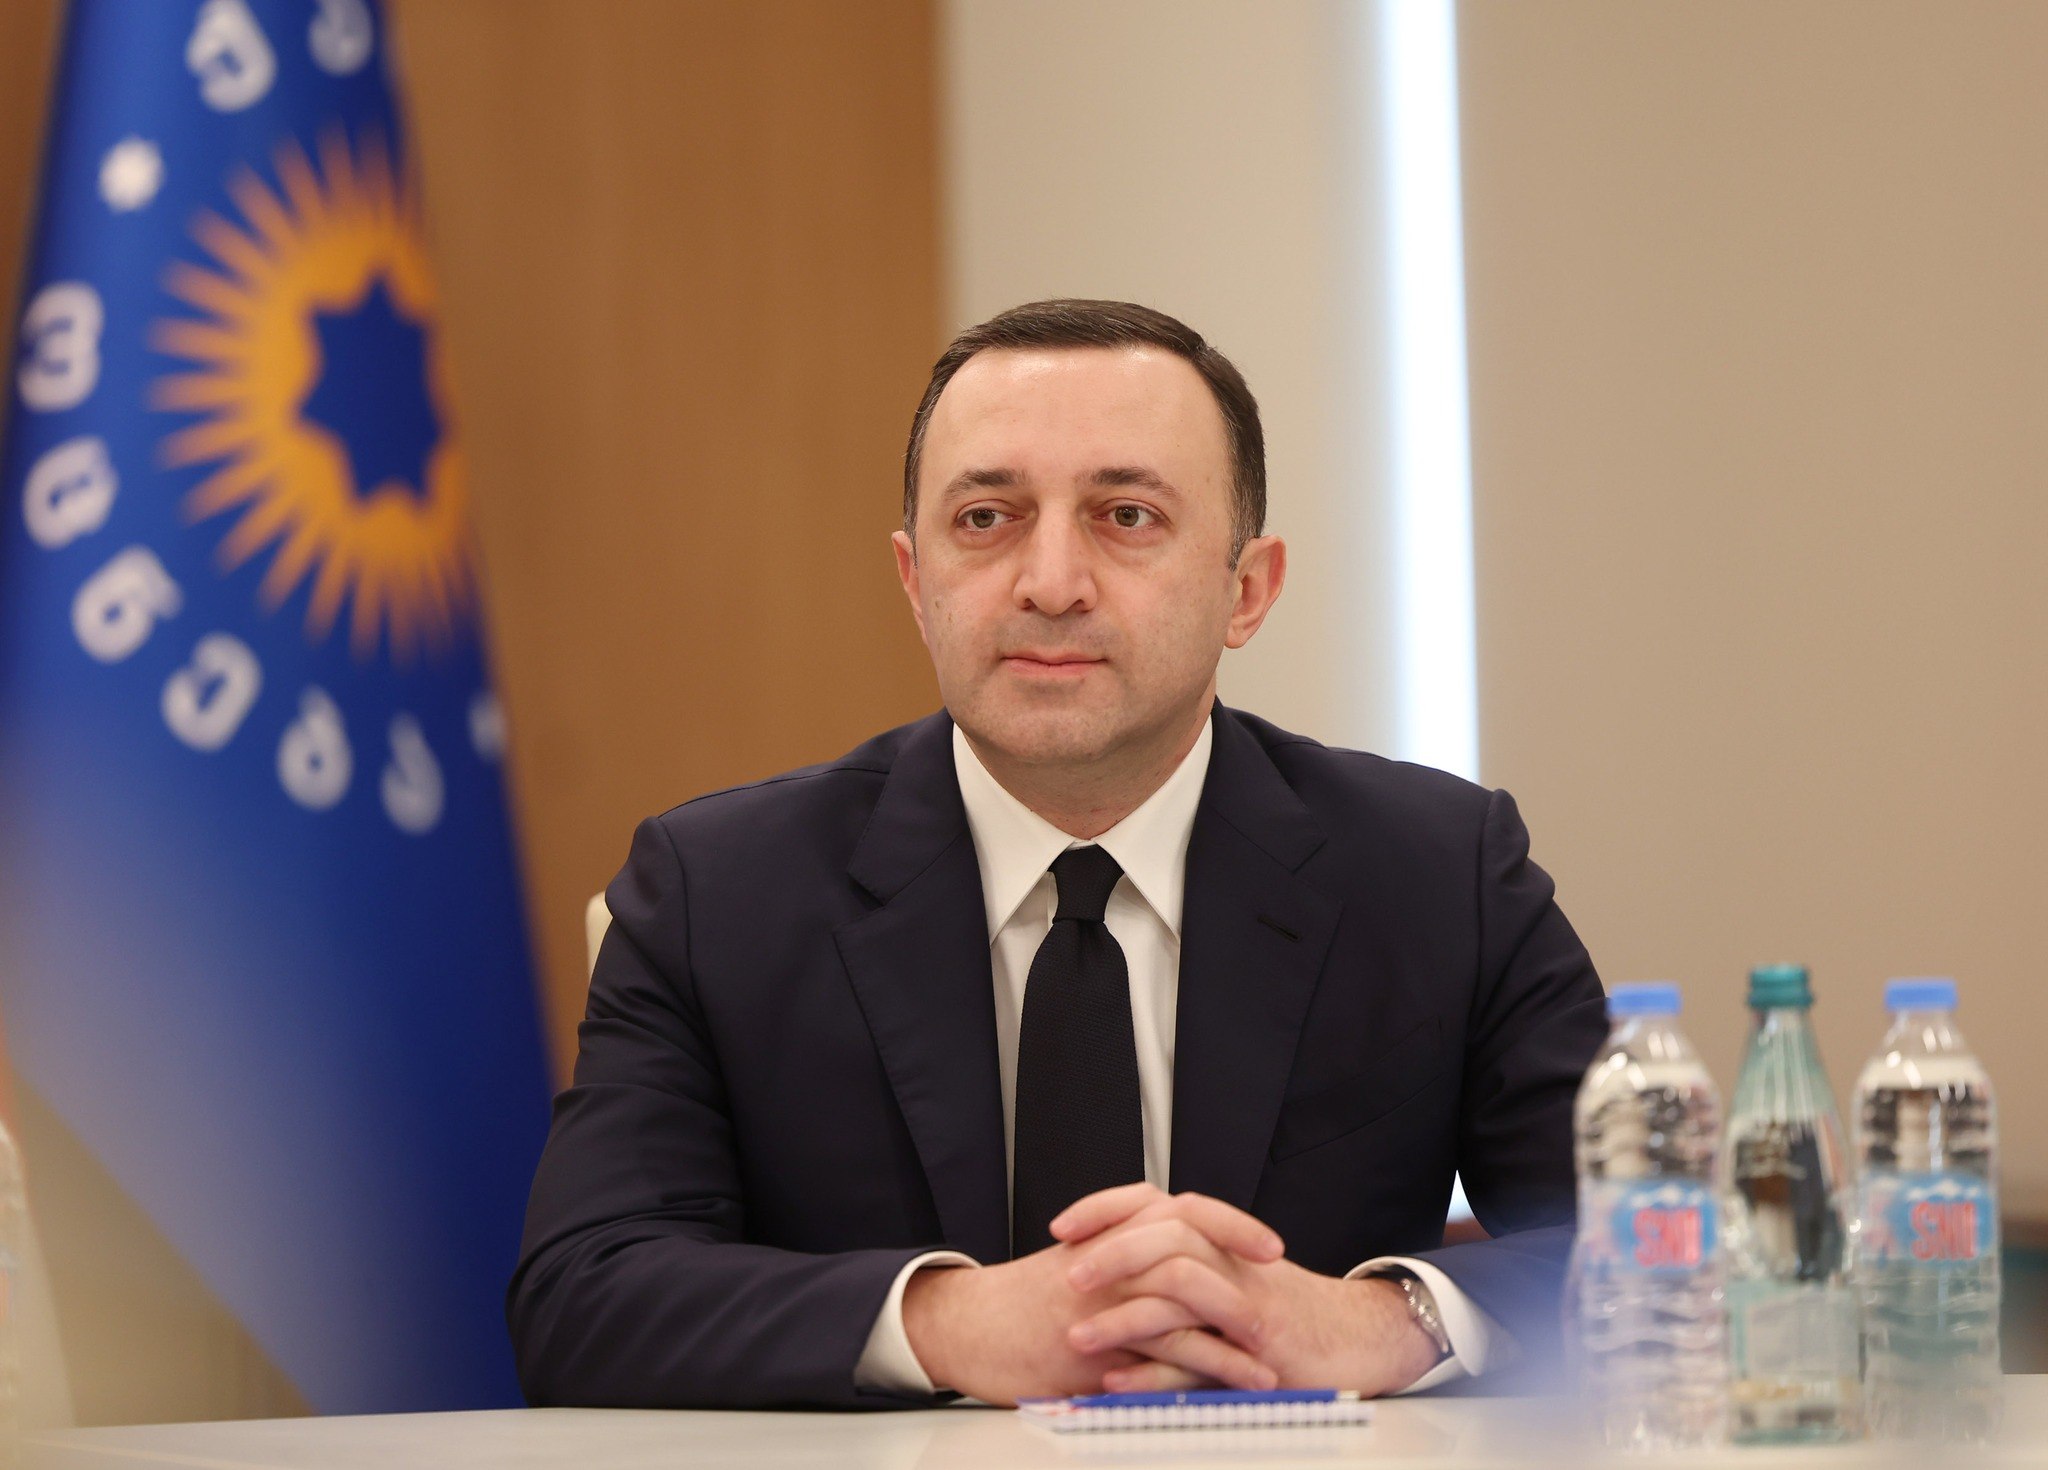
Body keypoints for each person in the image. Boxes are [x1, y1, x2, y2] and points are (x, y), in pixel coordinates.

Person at [507, 300, 1607, 1409]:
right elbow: (580, 1293)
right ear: (915, 584)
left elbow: (1653, 1240)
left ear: (1246, 589)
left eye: (1125, 516)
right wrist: (943, 1324)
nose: (1048, 582)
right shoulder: (717, 893)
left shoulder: (1439, 874)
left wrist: (1385, 1323)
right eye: (985, 518)